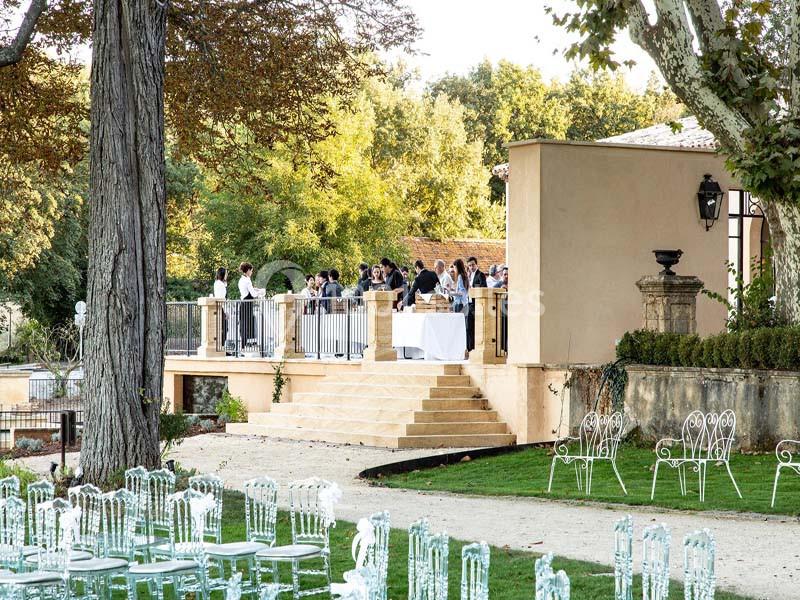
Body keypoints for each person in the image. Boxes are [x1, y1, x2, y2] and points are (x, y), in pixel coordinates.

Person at [237, 262, 265, 350]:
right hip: (247, 305)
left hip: (243, 304)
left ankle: (243, 346)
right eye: (251, 271)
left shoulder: (242, 279)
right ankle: (243, 346)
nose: (252, 272)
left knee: (243, 325)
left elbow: (249, 290)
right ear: (248, 270)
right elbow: (253, 294)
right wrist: (261, 292)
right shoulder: (247, 280)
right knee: (246, 325)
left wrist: (256, 289)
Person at [213, 267, 228, 350]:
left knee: (222, 328)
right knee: (224, 328)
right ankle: (221, 347)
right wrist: (226, 312)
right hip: (221, 308)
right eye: (226, 273)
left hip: (219, 307)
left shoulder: (217, 283)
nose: (227, 275)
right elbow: (222, 299)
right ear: (223, 274)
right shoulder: (221, 285)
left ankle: (221, 346)